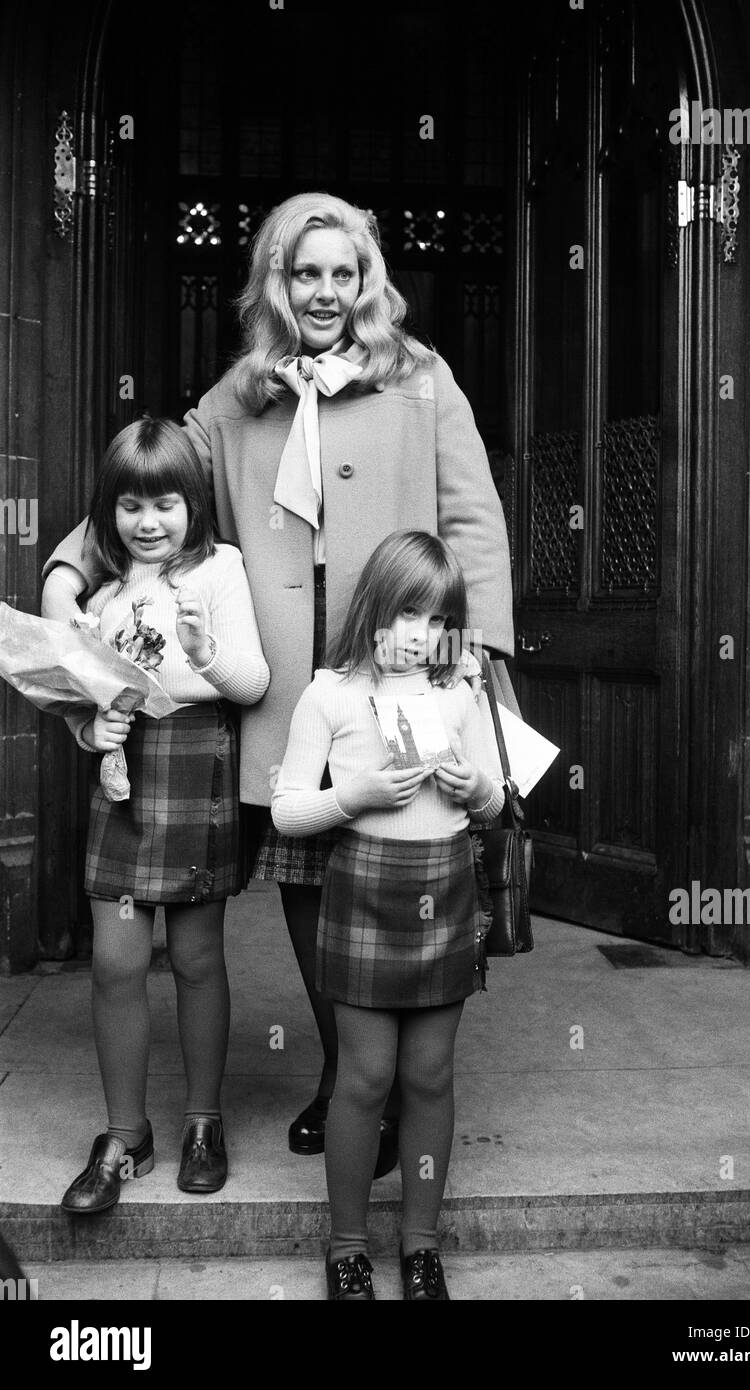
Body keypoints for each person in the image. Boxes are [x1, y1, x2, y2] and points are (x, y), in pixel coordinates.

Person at [41, 191, 515, 1177]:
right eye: (307, 274)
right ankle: (350, 1073)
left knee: (407, 868)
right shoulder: (234, 398)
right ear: (276, 282)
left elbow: (472, 522)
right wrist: (64, 570)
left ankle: (387, 1091)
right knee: (311, 883)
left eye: (345, 273)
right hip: (291, 699)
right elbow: (152, 493)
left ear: (367, 282)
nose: (327, 292)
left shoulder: (423, 379)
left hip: (405, 673)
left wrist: (477, 650)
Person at [272, 531, 502, 1300]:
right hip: (366, 889)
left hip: (445, 884)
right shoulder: (328, 694)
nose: (421, 635)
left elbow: (496, 802)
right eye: (407, 613)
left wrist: (476, 788)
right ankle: (346, 1248)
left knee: (429, 1076)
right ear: (373, 606)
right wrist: (355, 796)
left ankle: (420, 1246)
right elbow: (287, 811)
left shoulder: (459, 692)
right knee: (365, 1078)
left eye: (438, 620)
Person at [47, 418, 269, 1214]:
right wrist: (85, 728)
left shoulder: (221, 569)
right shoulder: (98, 594)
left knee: (198, 959)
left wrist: (205, 650)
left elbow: (251, 684)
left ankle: (204, 1123)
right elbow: (81, 700)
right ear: (107, 513)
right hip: (122, 781)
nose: (148, 522)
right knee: (115, 963)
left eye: (166, 504)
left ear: (192, 504)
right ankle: (125, 1135)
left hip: (195, 761)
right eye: (131, 506)